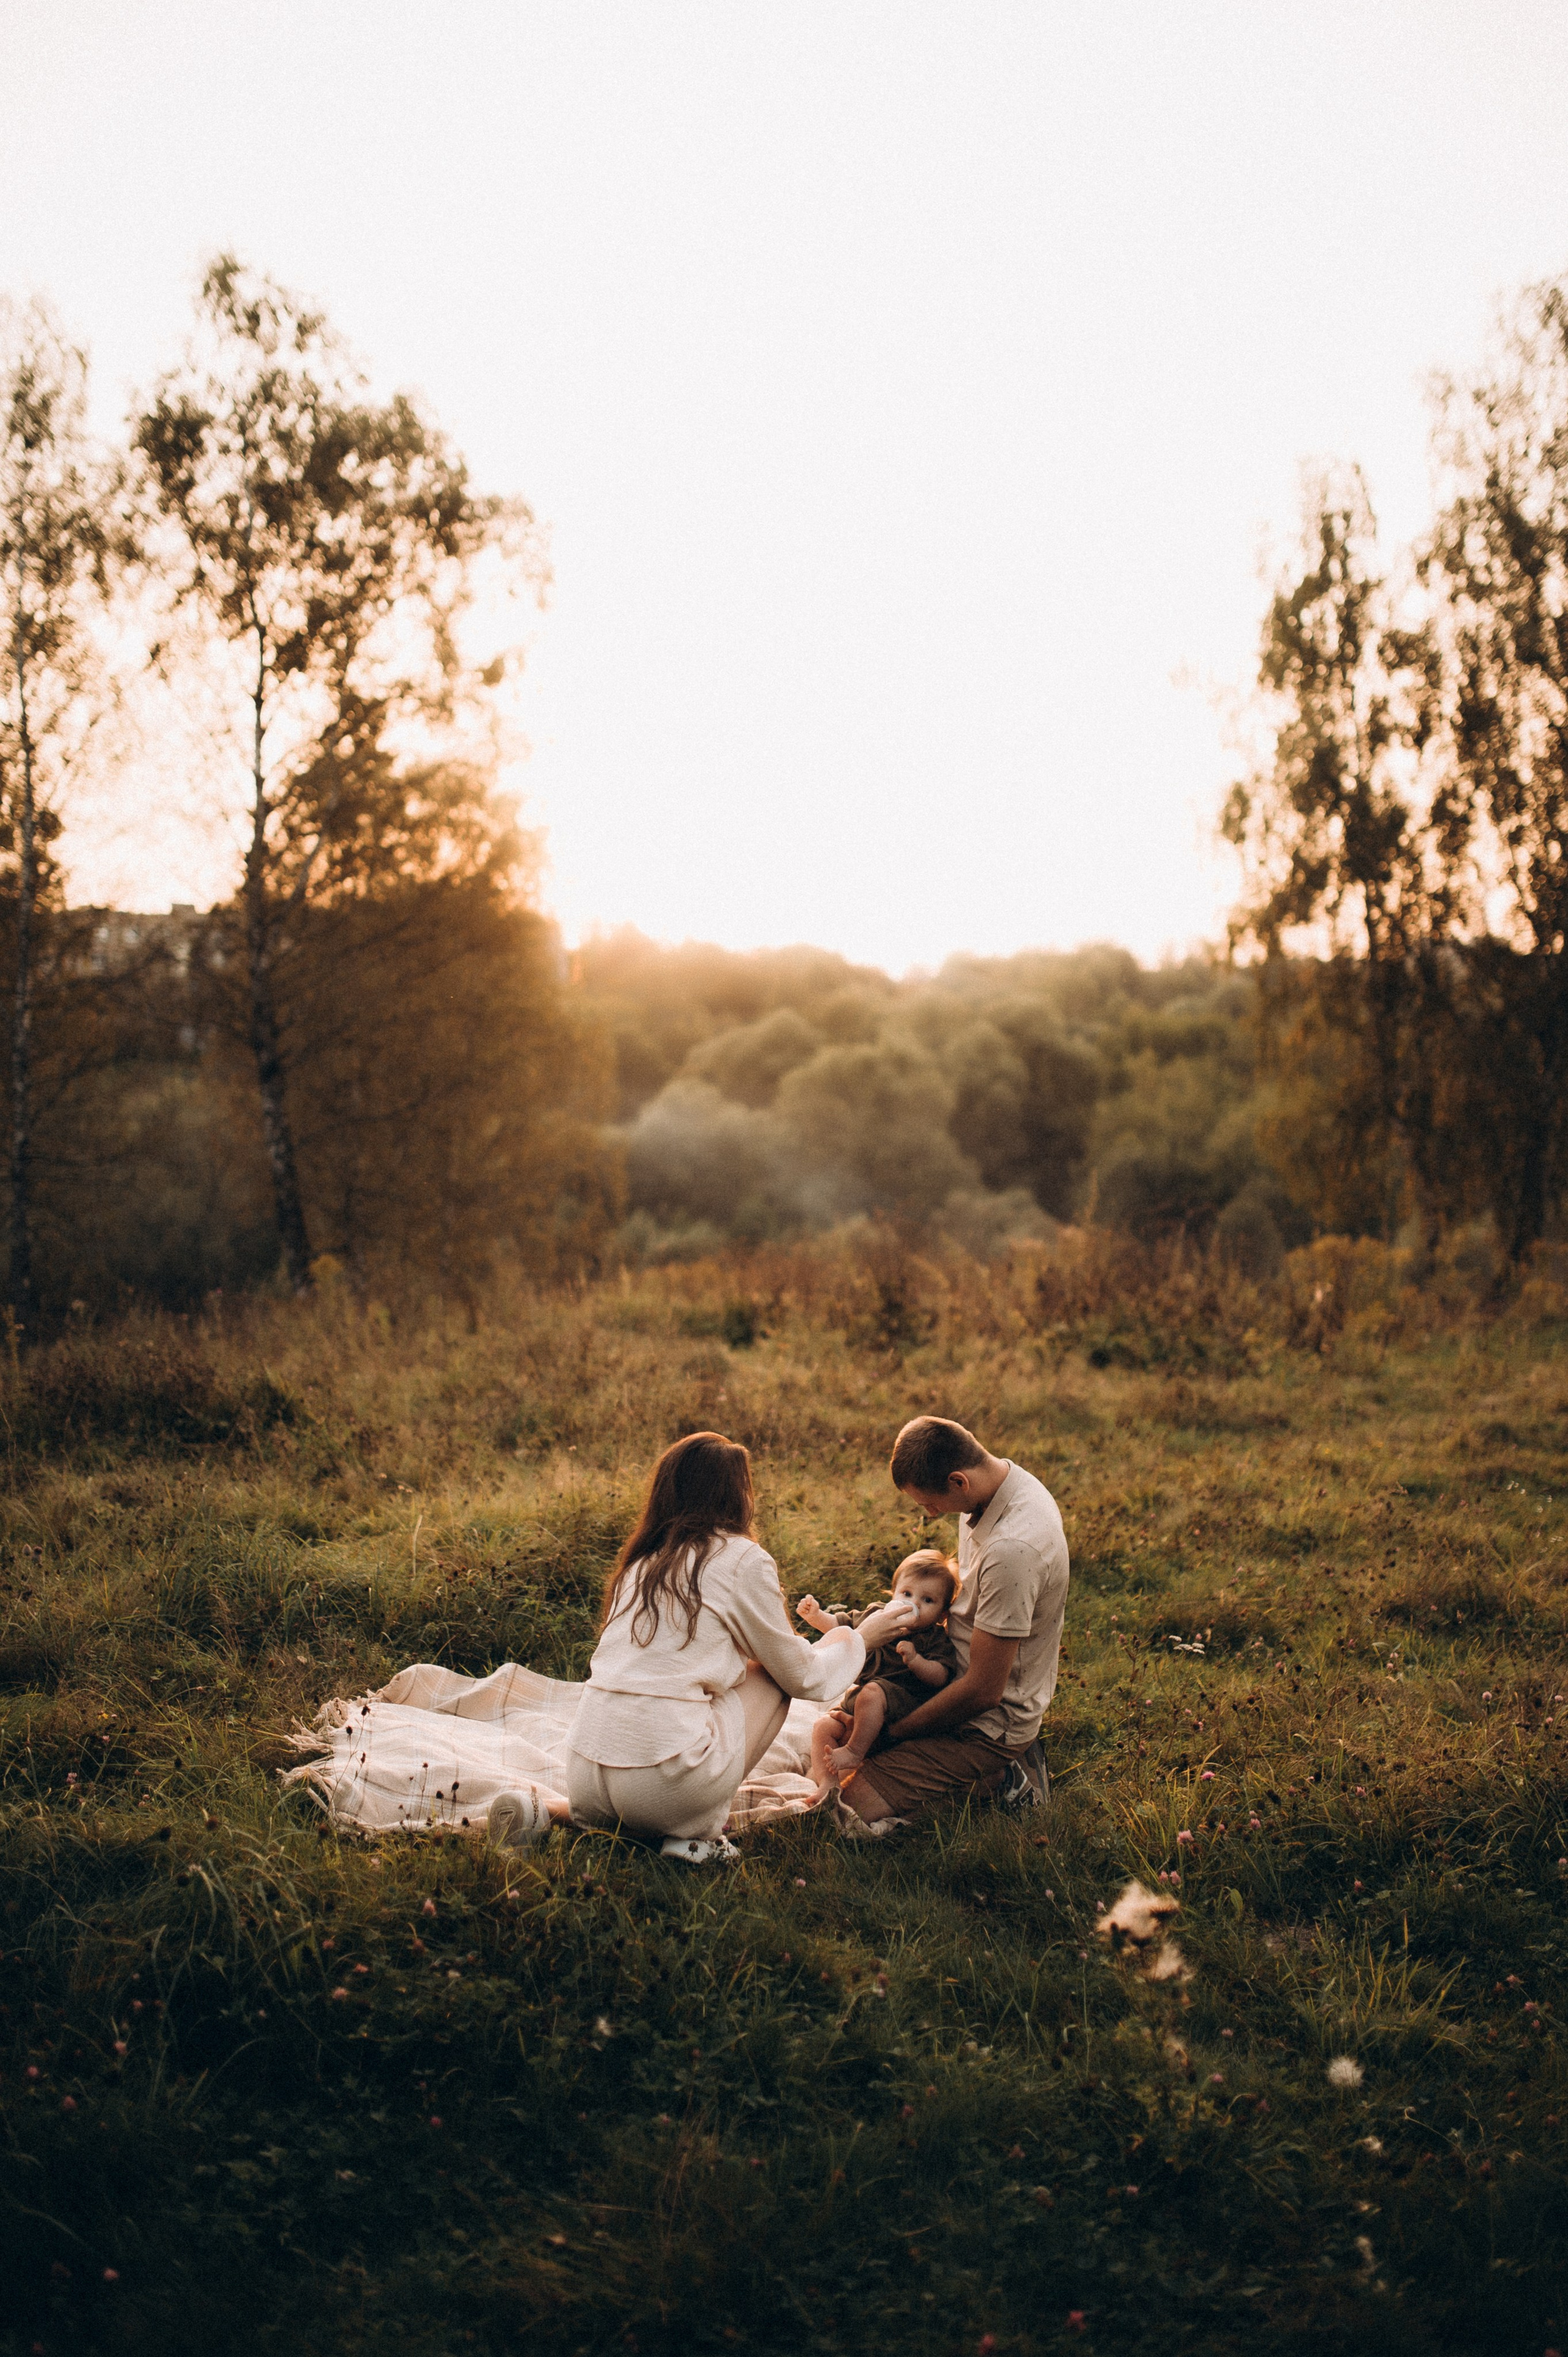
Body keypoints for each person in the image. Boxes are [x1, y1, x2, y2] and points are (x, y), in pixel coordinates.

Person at [556, 1430, 918, 1864]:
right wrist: (861, 1637)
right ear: (735, 1494)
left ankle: (571, 1817)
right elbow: (802, 1675)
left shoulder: (642, 1562)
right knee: (770, 1676)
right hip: (664, 1786)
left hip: (584, 1778)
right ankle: (696, 1835)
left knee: (725, 1677)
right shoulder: (741, 1557)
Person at [835, 1415, 1069, 1833]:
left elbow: (983, 1691)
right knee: (844, 1732)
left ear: (958, 1481)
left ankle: (999, 1780)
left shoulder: (1013, 1549)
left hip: (986, 1723)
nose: (928, 1514)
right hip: (943, 1678)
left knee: (845, 1809)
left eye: (928, 1502)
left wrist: (898, 1731)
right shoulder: (992, 1490)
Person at [796, 1548, 959, 1800]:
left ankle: (854, 1751)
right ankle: (827, 1786)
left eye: (928, 1601)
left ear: (943, 1614)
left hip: (903, 1704)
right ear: (893, 1594)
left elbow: (941, 1676)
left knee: (873, 1692)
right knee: (823, 1726)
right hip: (863, 1700)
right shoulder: (877, 1615)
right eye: (907, 1593)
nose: (914, 1604)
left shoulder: (934, 1638)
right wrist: (816, 1616)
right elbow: (844, 1629)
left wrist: (916, 1661)